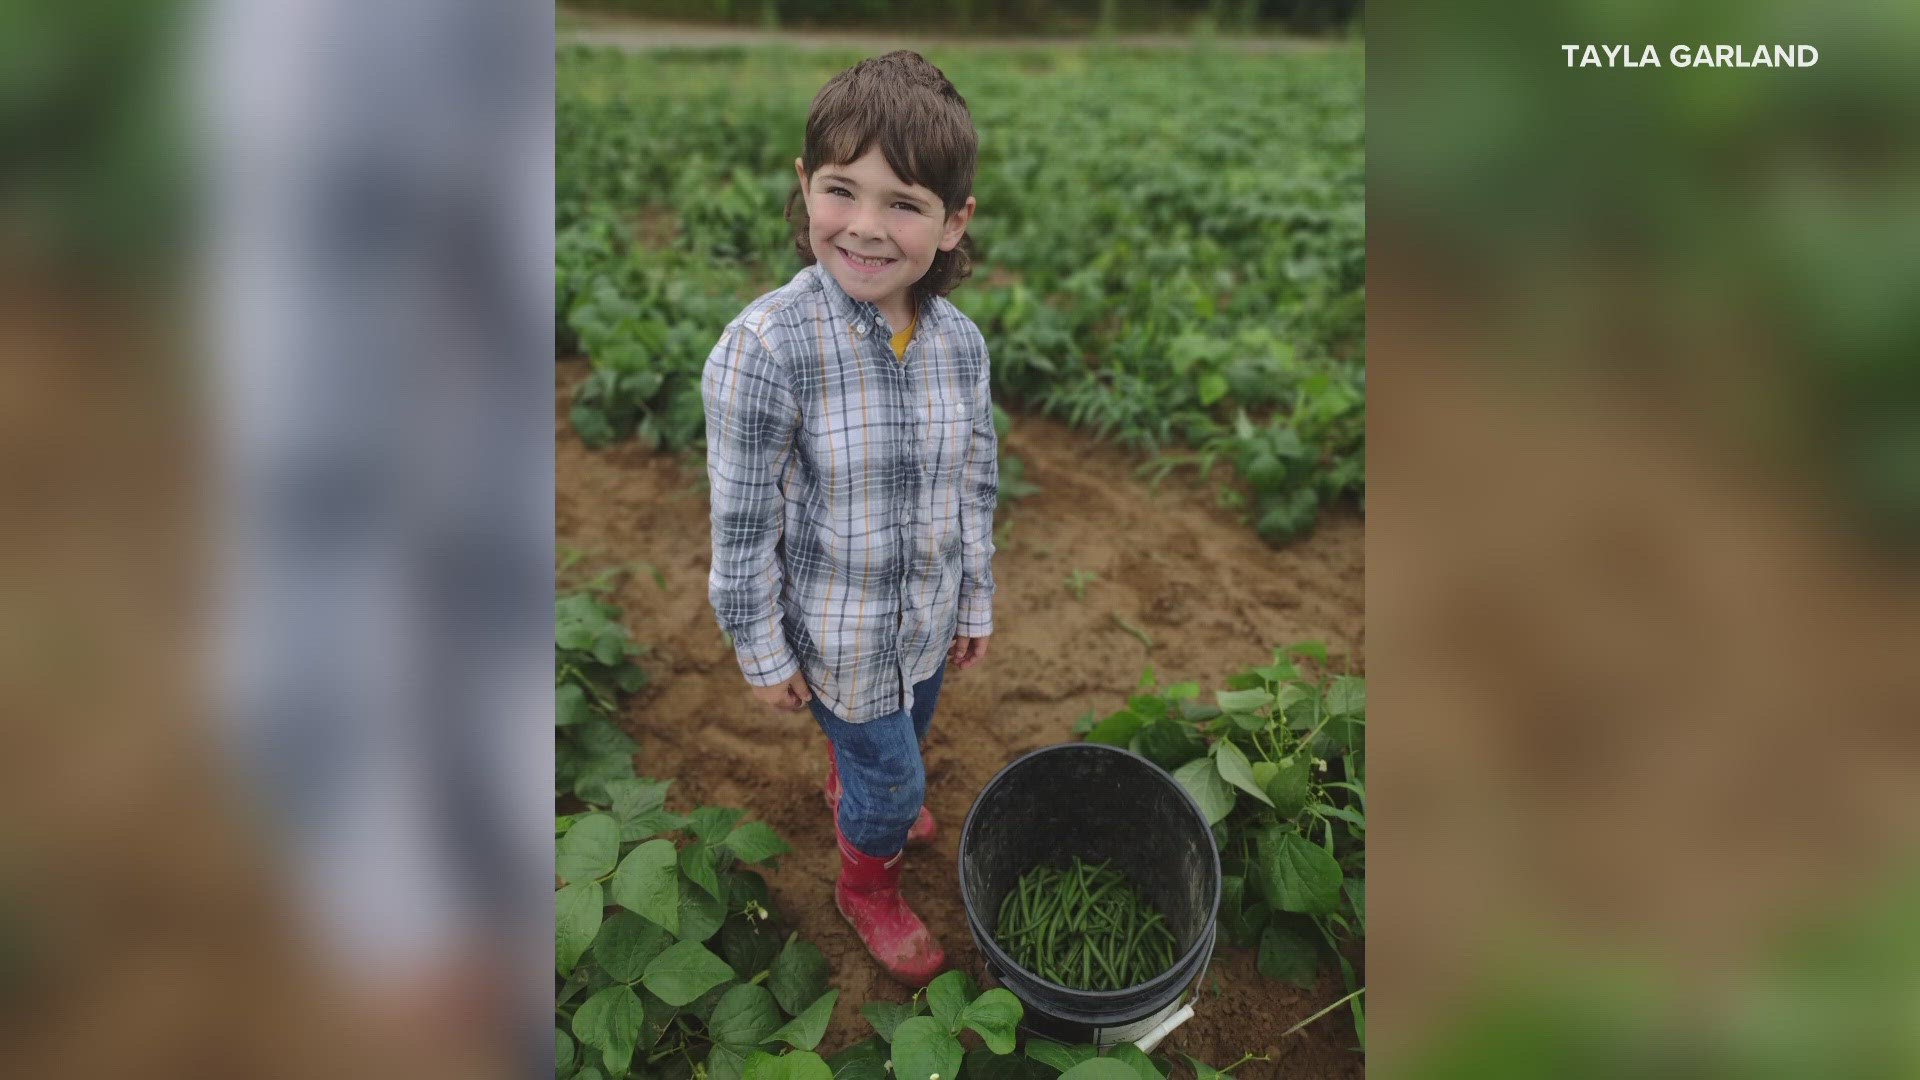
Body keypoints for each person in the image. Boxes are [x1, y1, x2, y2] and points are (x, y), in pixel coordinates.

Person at [701, 51, 997, 987]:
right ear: (805, 187)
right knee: (894, 785)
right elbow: (742, 526)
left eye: (904, 204)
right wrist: (762, 652)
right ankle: (866, 885)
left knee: (913, 723)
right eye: (843, 191)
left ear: (954, 224)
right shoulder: (767, 349)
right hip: (839, 637)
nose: (867, 229)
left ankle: (859, 776)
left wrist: (975, 600)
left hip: (927, 618)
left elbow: (975, 482)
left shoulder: (958, 344)